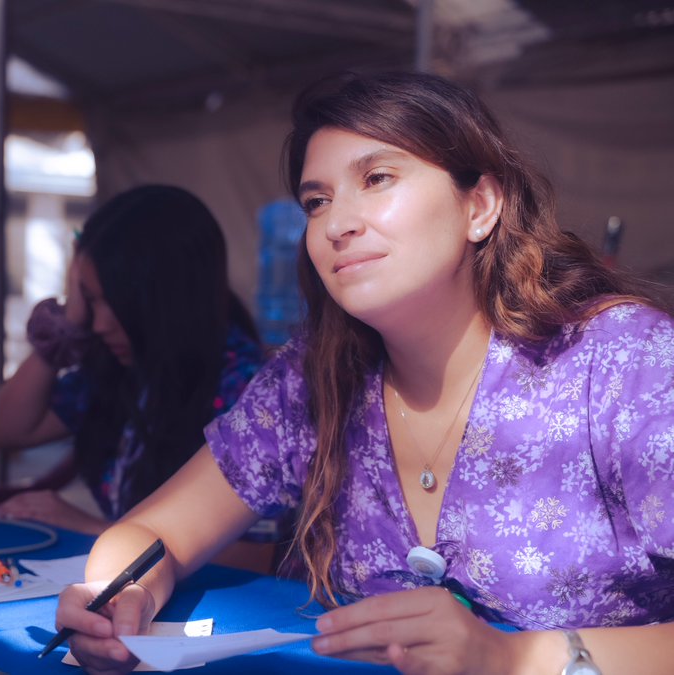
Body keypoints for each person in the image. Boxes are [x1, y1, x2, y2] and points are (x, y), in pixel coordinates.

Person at [53, 70, 674, 675]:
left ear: (480, 205)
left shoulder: (626, 362)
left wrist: (513, 660)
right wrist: (115, 596)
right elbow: (154, 529)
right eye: (316, 202)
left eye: (377, 178)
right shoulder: (314, 380)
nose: (335, 225)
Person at [0, 185, 264, 539]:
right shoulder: (119, 369)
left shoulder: (246, 386)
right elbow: (4, 431)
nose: (98, 325)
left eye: (110, 302)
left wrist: (99, 530)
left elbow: (258, 555)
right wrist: (68, 322)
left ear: (165, 296)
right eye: (90, 301)